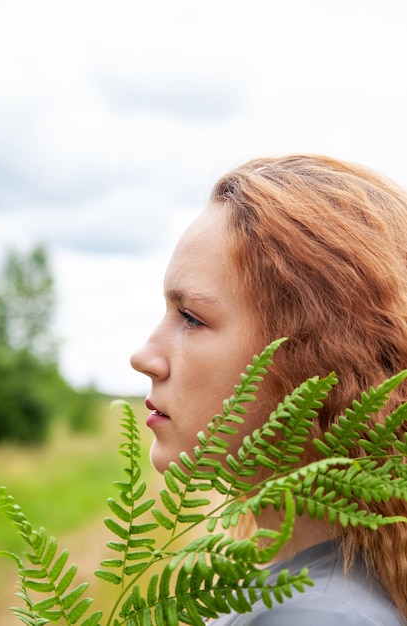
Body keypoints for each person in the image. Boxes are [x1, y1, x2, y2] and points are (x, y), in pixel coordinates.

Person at [130, 154, 407, 625]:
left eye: (191, 317)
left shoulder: (319, 614)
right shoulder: (311, 584)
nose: (144, 356)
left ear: (315, 359)